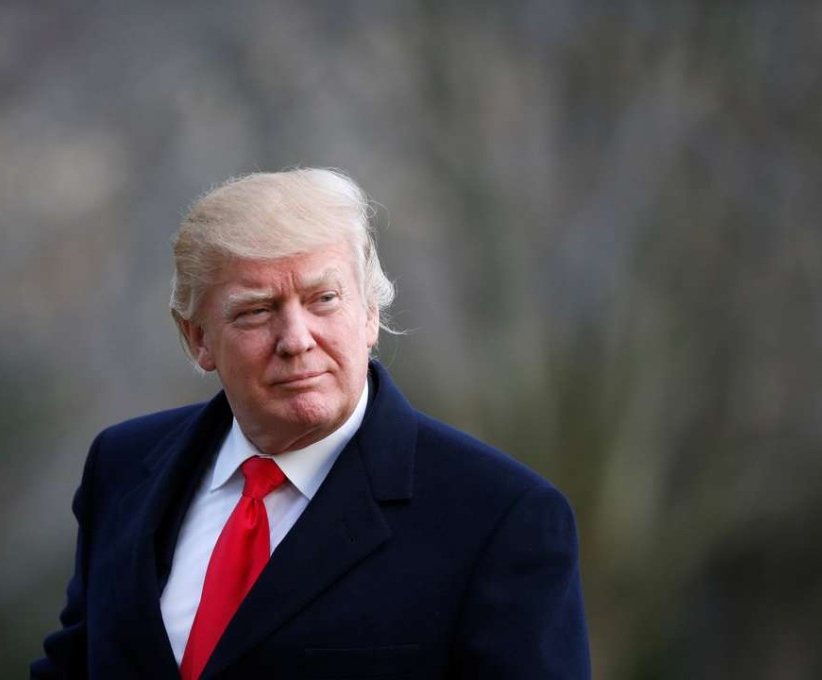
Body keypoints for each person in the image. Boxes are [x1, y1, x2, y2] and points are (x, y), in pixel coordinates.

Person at [31, 168, 590, 679]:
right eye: (256, 310)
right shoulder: (123, 468)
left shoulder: (501, 516)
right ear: (198, 338)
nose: (296, 340)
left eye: (323, 299)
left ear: (370, 312)